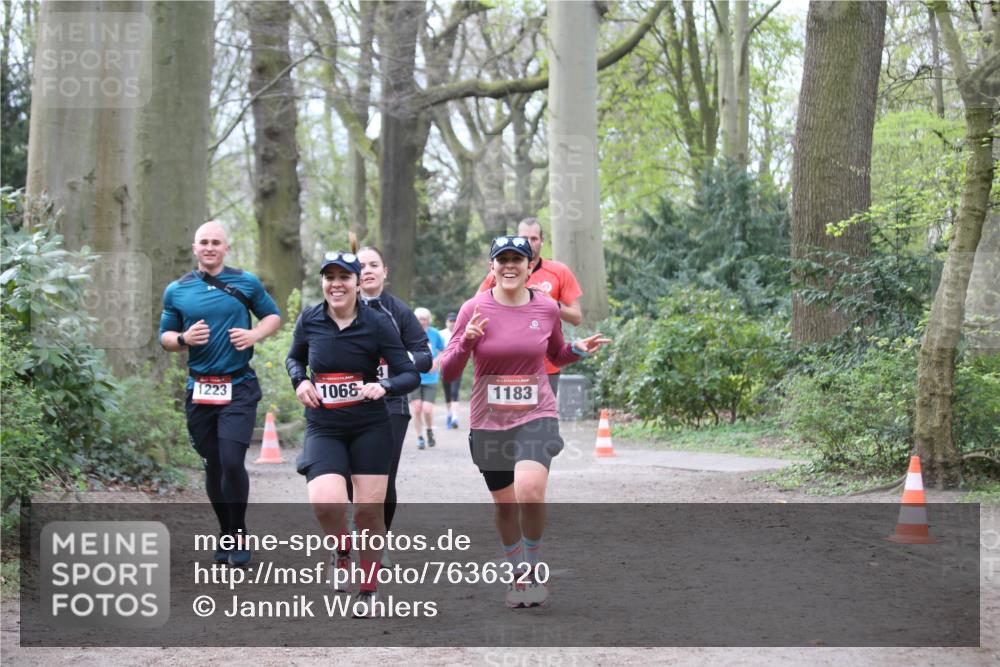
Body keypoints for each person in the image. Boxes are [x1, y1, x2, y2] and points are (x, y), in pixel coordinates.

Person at [441, 235, 610, 609]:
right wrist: (467, 342)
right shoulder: (474, 308)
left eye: (518, 259)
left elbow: (555, 354)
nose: (510, 266)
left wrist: (577, 351)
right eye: (502, 260)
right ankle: (516, 574)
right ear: (492, 267)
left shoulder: (547, 308)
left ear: (530, 266)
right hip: (489, 421)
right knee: (505, 507)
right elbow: (449, 371)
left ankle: (532, 570)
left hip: (537, 414)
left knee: (530, 490)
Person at [286, 249, 419, 617]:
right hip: (324, 425)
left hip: (370, 426)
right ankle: (342, 549)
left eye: (344, 277)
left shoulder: (377, 323)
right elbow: (294, 357)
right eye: (330, 277)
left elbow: (409, 372)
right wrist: (299, 382)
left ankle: (368, 587)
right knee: (326, 502)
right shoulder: (310, 319)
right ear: (323, 283)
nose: (336, 284)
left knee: (367, 511)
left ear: (358, 282)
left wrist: (386, 386)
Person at [159, 221, 281, 567]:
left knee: (231, 460)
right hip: (199, 387)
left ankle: (238, 532)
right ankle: (226, 530)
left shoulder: (246, 282)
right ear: (195, 248)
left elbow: (272, 316)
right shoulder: (177, 290)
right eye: (203, 242)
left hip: (239, 385)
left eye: (216, 242)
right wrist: (183, 339)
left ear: (226, 248)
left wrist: (254, 334)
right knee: (213, 464)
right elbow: (164, 337)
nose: (210, 247)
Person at [356, 245, 432, 534]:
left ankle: (379, 540)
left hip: (392, 403)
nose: (367, 271)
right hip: (348, 402)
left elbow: (424, 357)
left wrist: (398, 359)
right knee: (351, 477)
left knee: (382, 478)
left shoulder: (398, 311)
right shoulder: (338, 308)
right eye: (361, 266)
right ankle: (349, 539)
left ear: (384, 271)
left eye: (373, 265)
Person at [478, 218, 584, 397]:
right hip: (505, 363)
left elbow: (576, 317)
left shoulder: (559, 272)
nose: (529, 243)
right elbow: (476, 309)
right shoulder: (500, 273)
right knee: (505, 422)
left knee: (543, 422)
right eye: (524, 238)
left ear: (542, 240)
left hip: (546, 365)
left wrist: (551, 301)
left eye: (534, 238)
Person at [409, 307, 446, 450]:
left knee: (427, 409)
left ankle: (429, 430)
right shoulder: (409, 333)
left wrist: (435, 363)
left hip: (430, 377)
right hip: (414, 376)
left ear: (428, 320)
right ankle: (419, 438)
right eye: (419, 319)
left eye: (424, 319)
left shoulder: (435, 334)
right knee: (417, 408)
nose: (422, 322)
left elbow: (443, 350)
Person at [440, 312, 462, 429]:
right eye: (450, 321)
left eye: (454, 321)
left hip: (457, 367)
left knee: (455, 392)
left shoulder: (460, 332)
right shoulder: (441, 334)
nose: (453, 323)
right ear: (446, 322)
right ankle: (449, 414)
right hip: (444, 367)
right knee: (447, 394)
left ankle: (455, 418)